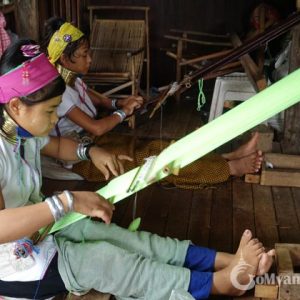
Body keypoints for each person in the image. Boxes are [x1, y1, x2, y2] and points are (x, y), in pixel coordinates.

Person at [0, 39, 275, 300]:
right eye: (49, 112)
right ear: (15, 106)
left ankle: (228, 261)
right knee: (107, 261)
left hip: (43, 229)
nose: (54, 119)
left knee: (124, 239)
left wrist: (90, 151)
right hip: (15, 264)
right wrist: (67, 201)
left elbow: (58, 146)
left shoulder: (23, 131)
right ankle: (220, 284)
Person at [43, 17, 263, 188]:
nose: (89, 59)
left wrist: (122, 103)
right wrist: (123, 113)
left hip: (97, 143)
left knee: (160, 148)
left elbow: (104, 101)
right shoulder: (58, 92)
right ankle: (229, 169)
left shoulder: (74, 81)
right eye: (83, 54)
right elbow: (97, 127)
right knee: (155, 163)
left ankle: (225, 157)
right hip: (83, 159)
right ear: (64, 59)